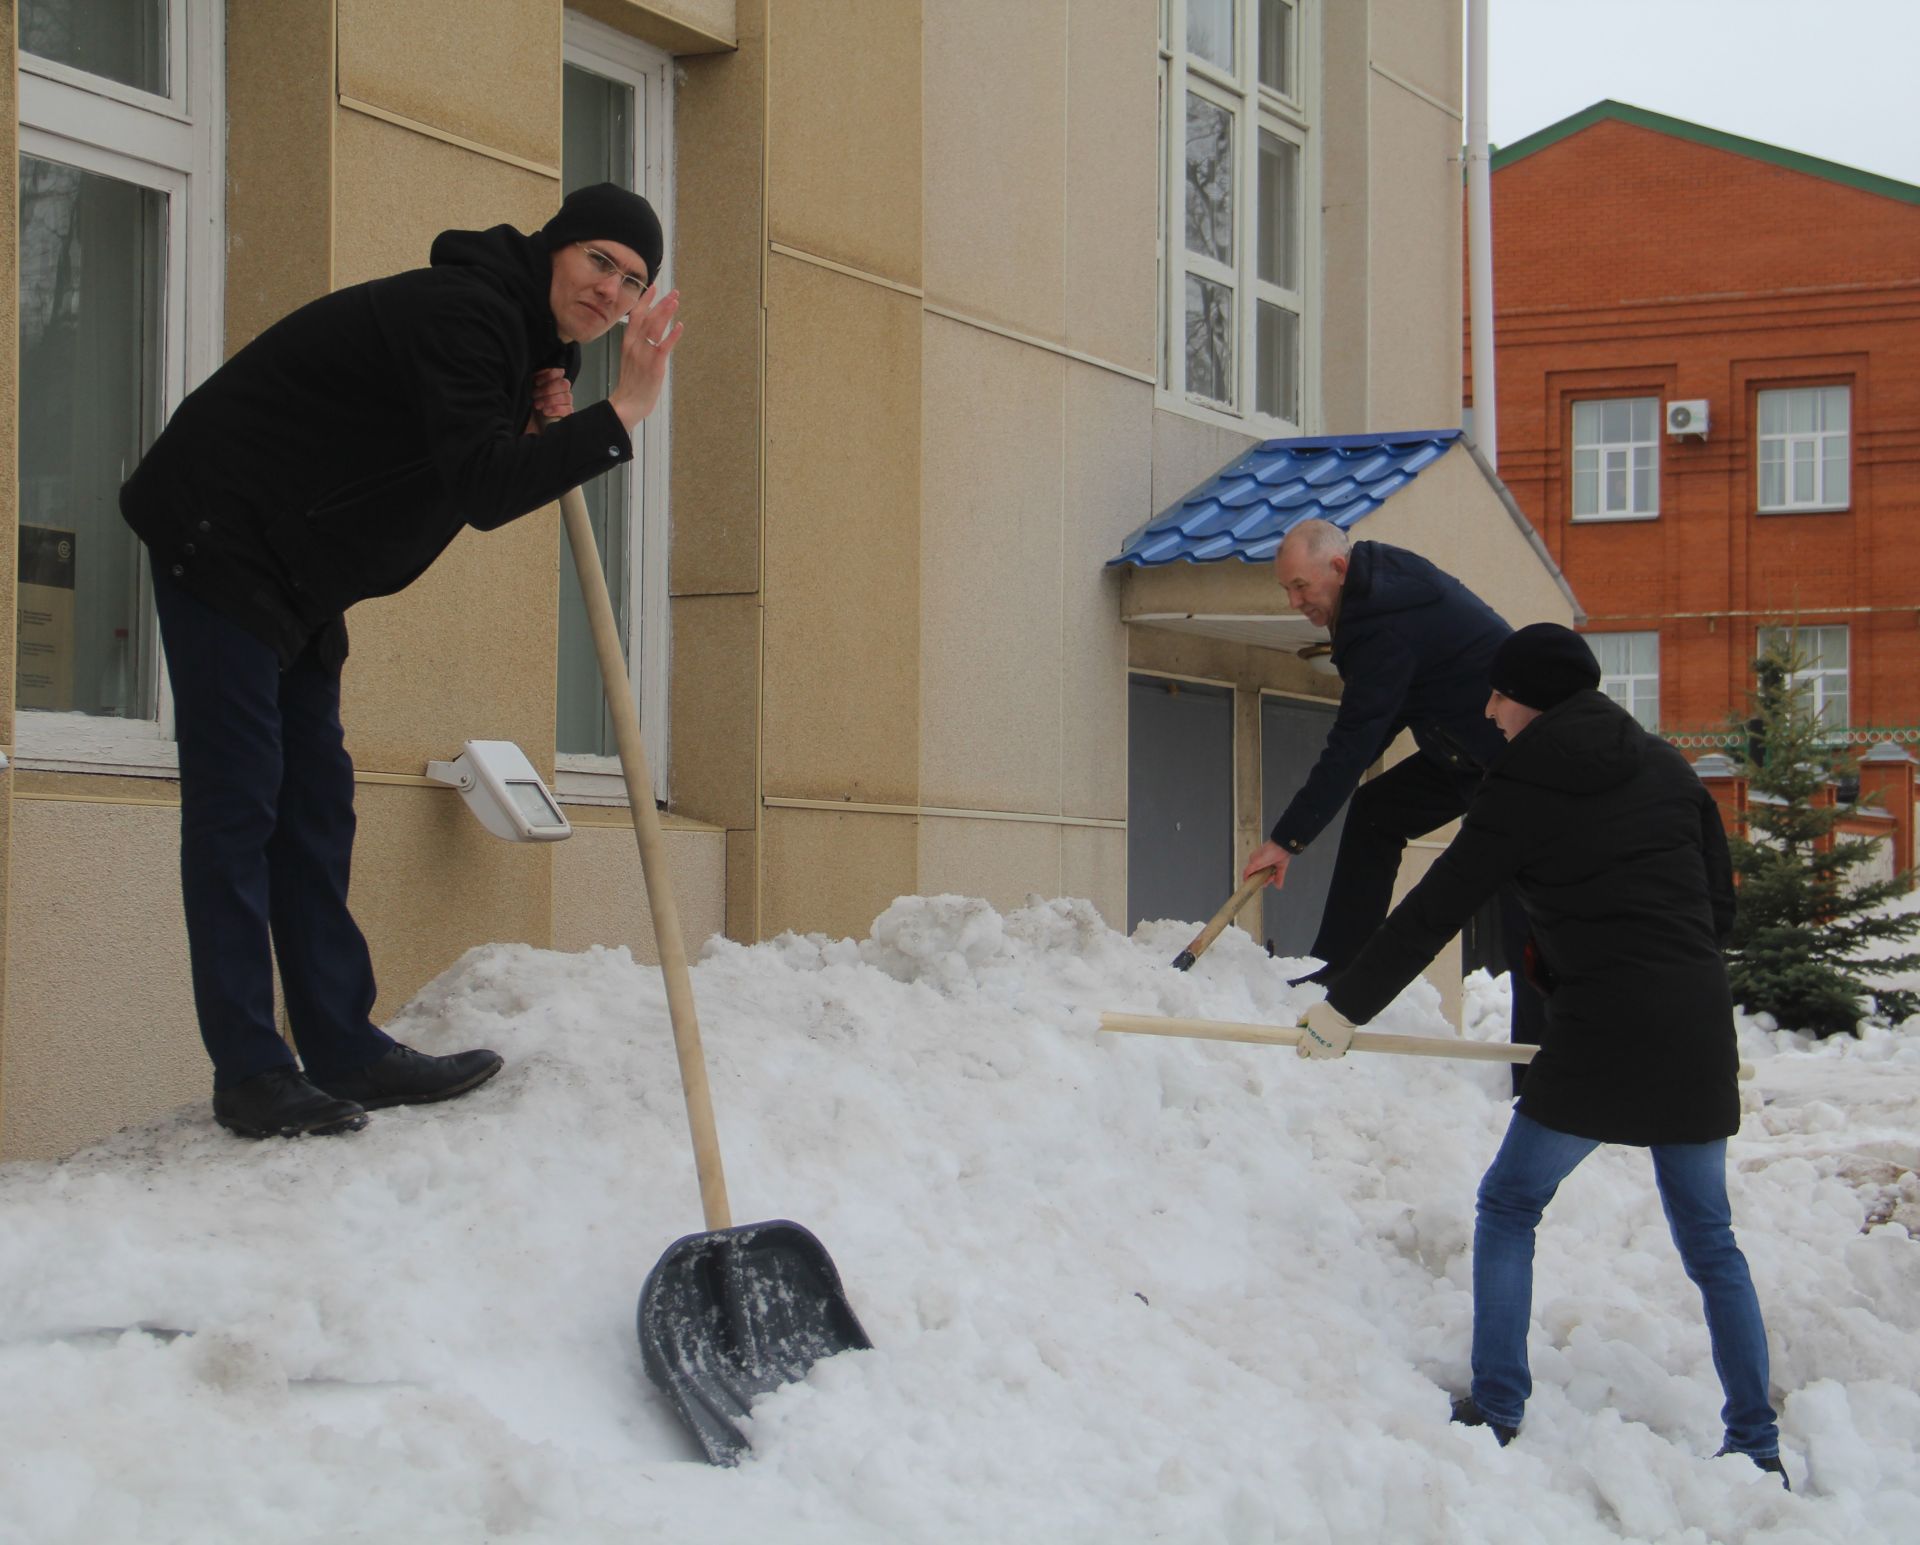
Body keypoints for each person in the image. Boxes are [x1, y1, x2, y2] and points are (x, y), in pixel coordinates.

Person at [119, 183, 683, 1140]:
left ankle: (344, 1047)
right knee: (240, 798)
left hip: (298, 563)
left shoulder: (513, 341)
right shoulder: (465, 315)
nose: (611, 291)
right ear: (555, 249)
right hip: (221, 527)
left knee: (315, 803)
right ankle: (252, 1071)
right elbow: (486, 487)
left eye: (633, 282)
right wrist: (623, 410)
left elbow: (473, 449)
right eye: (600, 261)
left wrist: (545, 408)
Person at [1295, 623, 1786, 1484]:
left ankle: (1499, 1405)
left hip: (1601, 1031)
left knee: (1510, 1203)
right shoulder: (1669, 766)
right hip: (1697, 1022)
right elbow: (1718, 905)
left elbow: (1434, 907)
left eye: (1500, 693)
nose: (1488, 708)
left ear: (1539, 698)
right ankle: (1757, 1442)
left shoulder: (1519, 785)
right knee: (1711, 1239)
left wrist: (1343, 1007)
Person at [1239, 520, 1543, 1070]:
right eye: (1287, 589)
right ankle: (1338, 965)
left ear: (1337, 569)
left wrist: (1287, 838)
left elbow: (1356, 739)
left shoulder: (1383, 618)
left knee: (1526, 905)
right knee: (1379, 811)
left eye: (1301, 586)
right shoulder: (1372, 601)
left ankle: (1538, 1068)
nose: (1293, 601)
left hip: (1517, 764)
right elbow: (1378, 724)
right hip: (1462, 753)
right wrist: (1295, 834)